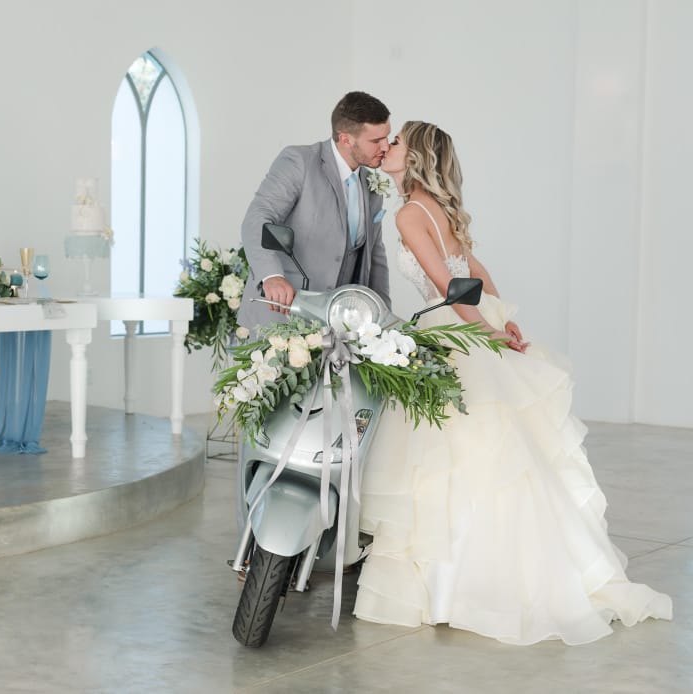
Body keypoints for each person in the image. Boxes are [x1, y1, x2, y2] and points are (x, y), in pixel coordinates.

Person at [353, 120, 672, 645]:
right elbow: (477, 272)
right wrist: (499, 318)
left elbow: (449, 284)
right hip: (469, 323)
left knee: (450, 457)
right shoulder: (441, 210)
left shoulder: (410, 213)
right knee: (488, 451)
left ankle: (457, 585)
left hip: (452, 329)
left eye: (397, 142)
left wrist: (487, 331)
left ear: (416, 157)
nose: (388, 148)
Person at [237, 91, 392, 333]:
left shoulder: (371, 187)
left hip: (337, 329)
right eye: (376, 141)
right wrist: (271, 276)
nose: (386, 146)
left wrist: (384, 318)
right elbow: (258, 217)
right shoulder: (300, 161)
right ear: (346, 139)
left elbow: (375, 256)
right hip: (280, 318)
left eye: (387, 137)